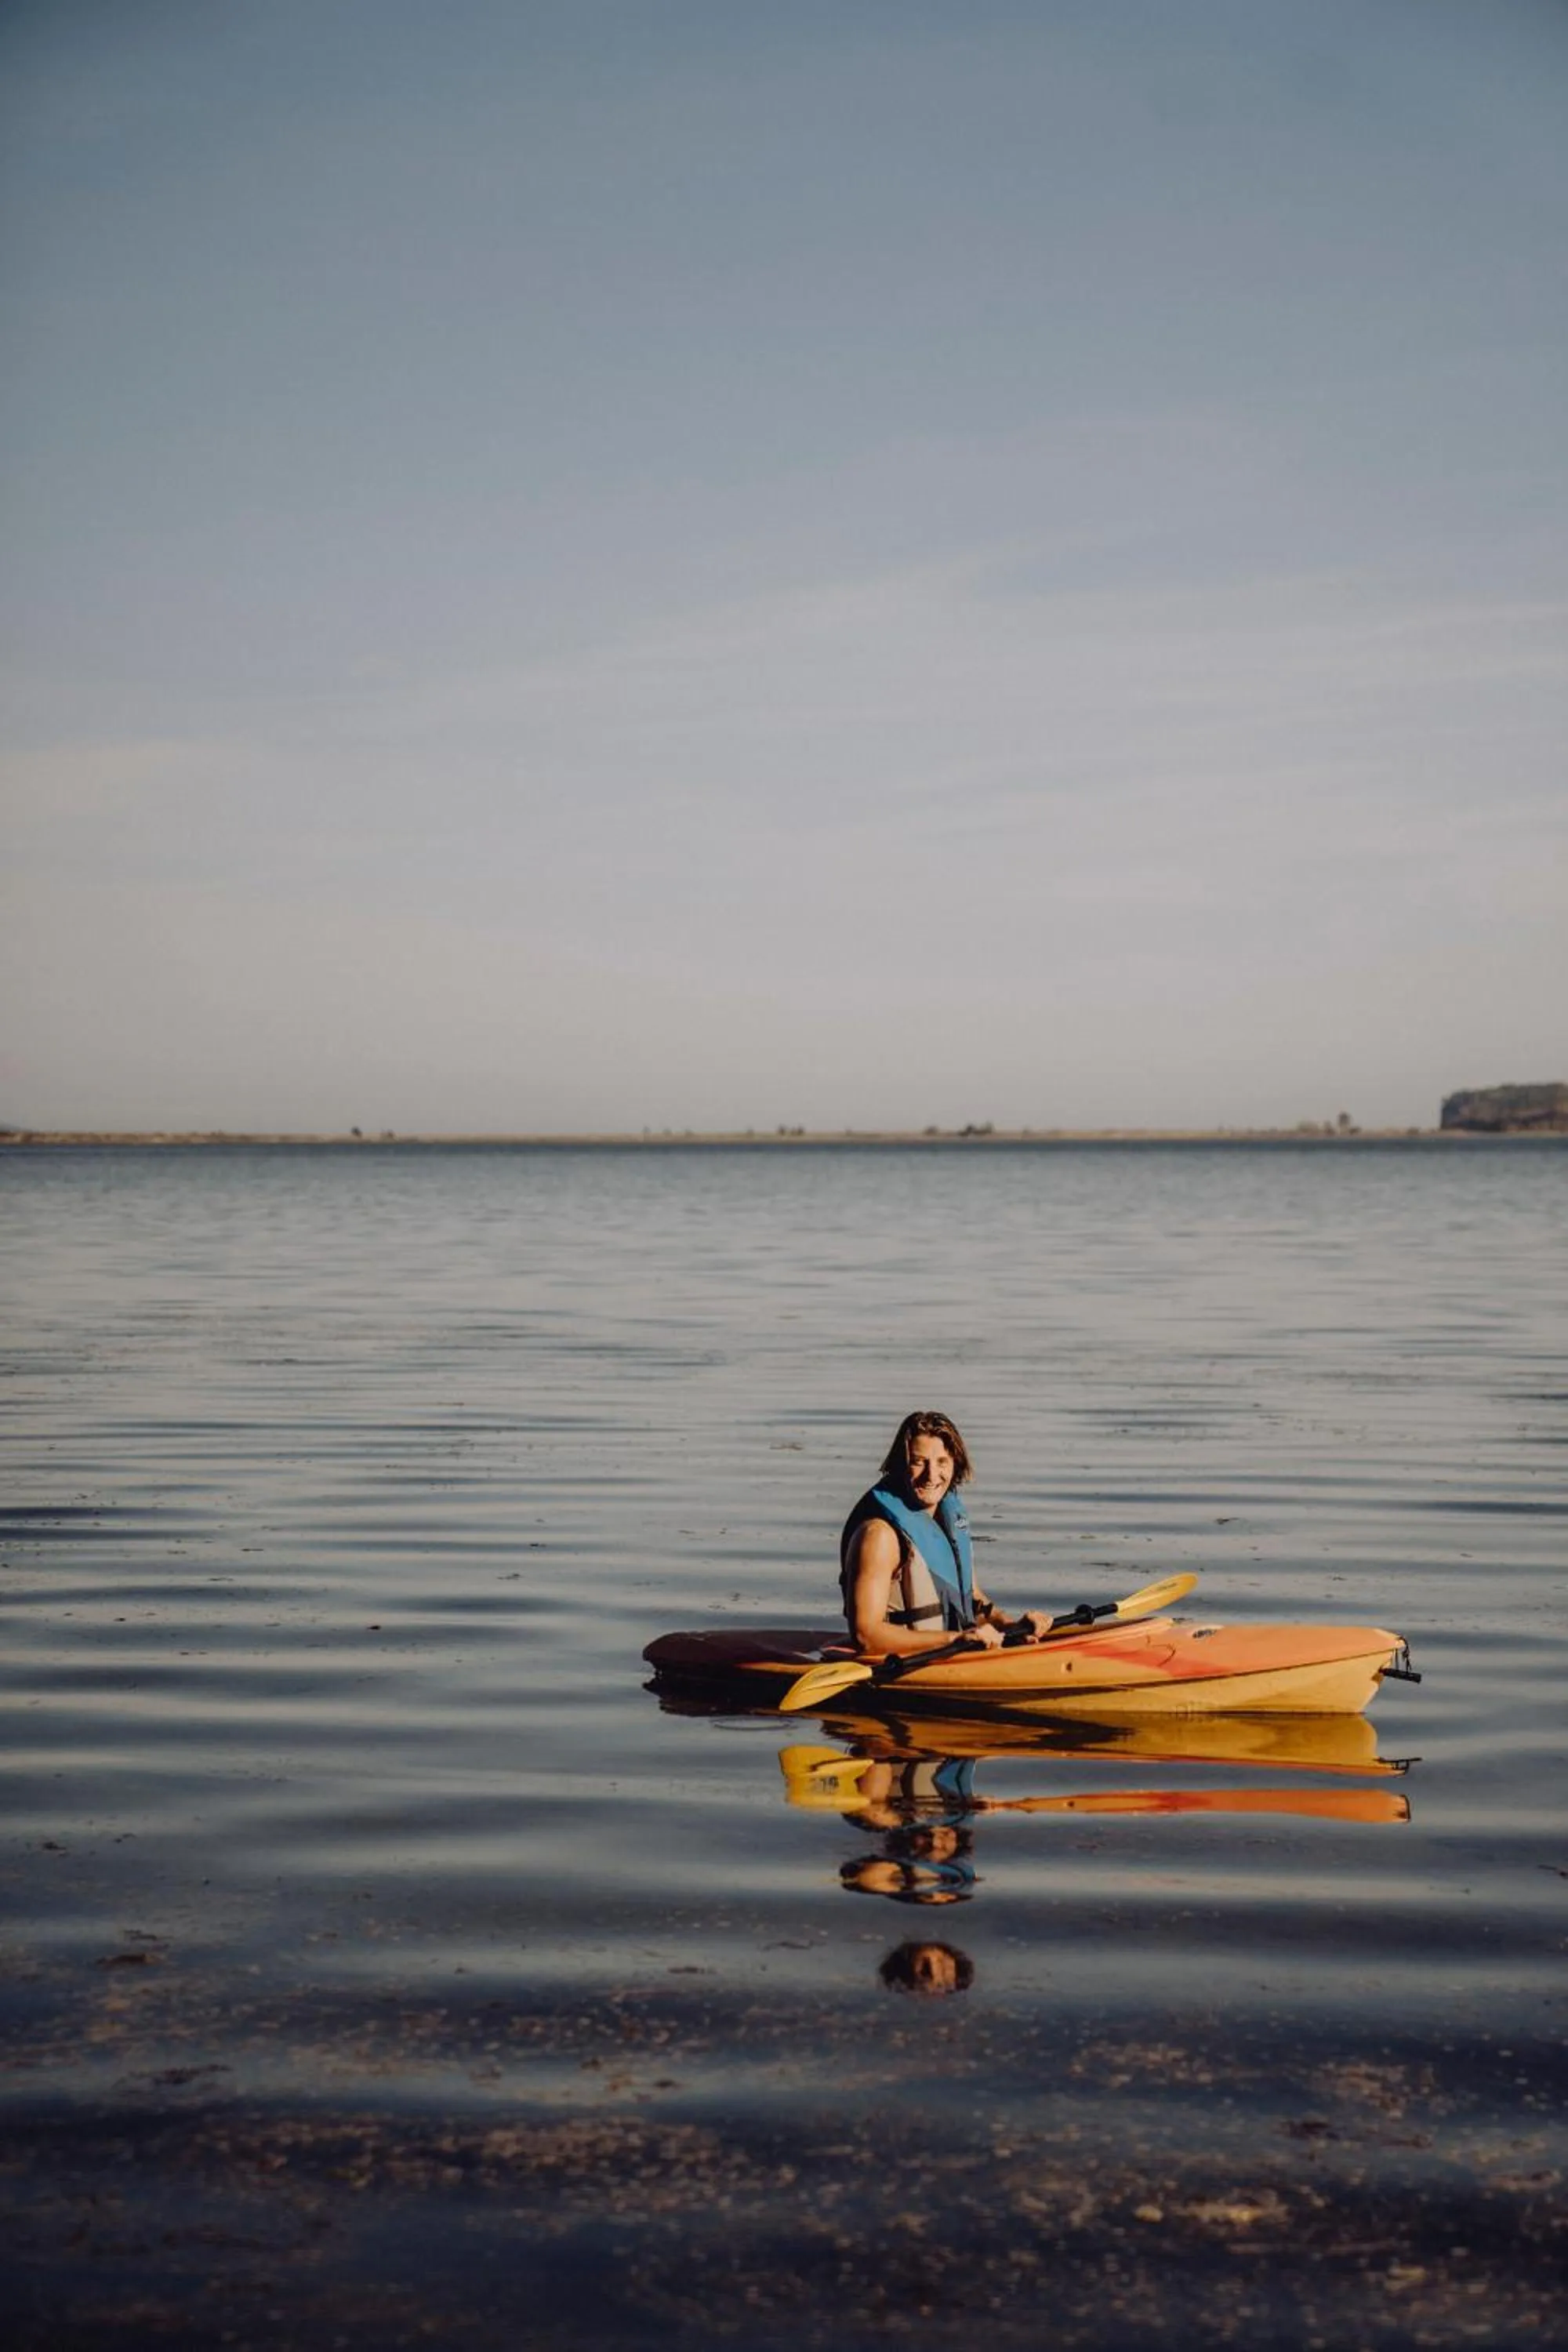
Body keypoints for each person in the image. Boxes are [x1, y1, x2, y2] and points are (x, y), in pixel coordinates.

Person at [840, 1410, 1047, 1658]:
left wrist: (1011, 1627)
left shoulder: (950, 1521)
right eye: (919, 1462)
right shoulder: (878, 1536)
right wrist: (955, 1639)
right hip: (900, 1664)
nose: (931, 1475)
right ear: (899, 1466)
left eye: (942, 1462)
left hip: (953, 1653)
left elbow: (972, 1600)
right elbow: (866, 1635)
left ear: (955, 1464)